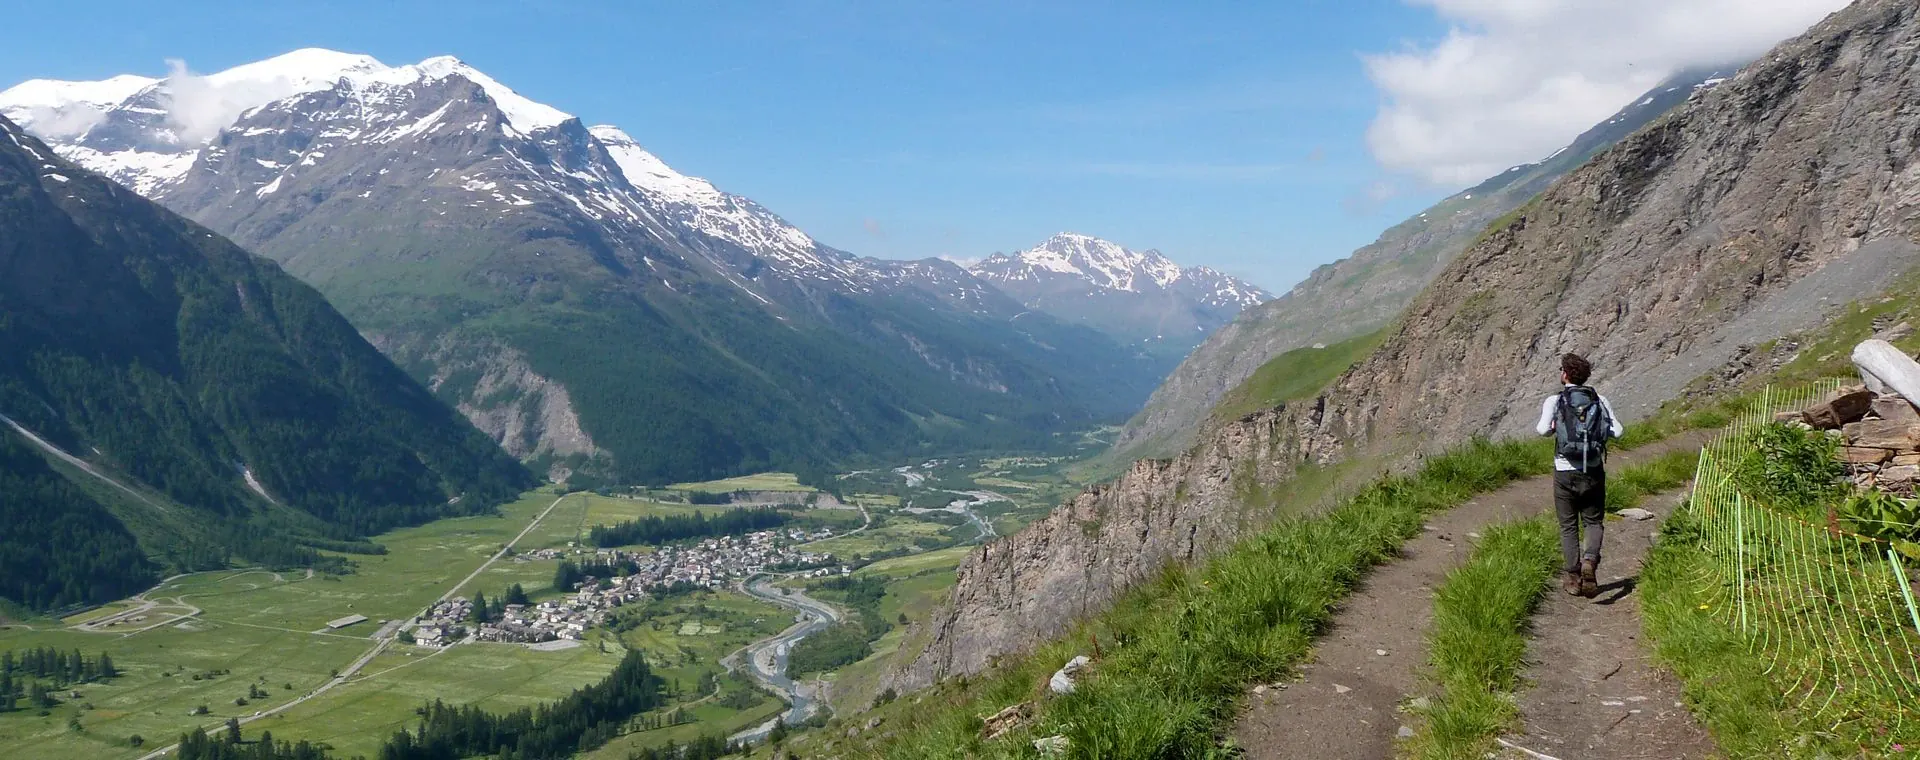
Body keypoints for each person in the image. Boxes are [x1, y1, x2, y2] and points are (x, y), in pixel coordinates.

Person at [1536, 353, 1624, 597]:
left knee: (1568, 525)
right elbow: (1618, 431)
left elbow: (1542, 430)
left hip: (1564, 471)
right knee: (1593, 521)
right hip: (1593, 470)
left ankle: (1573, 578)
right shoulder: (1600, 399)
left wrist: (1557, 427)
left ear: (1564, 374)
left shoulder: (1555, 400)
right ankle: (1590, 561)